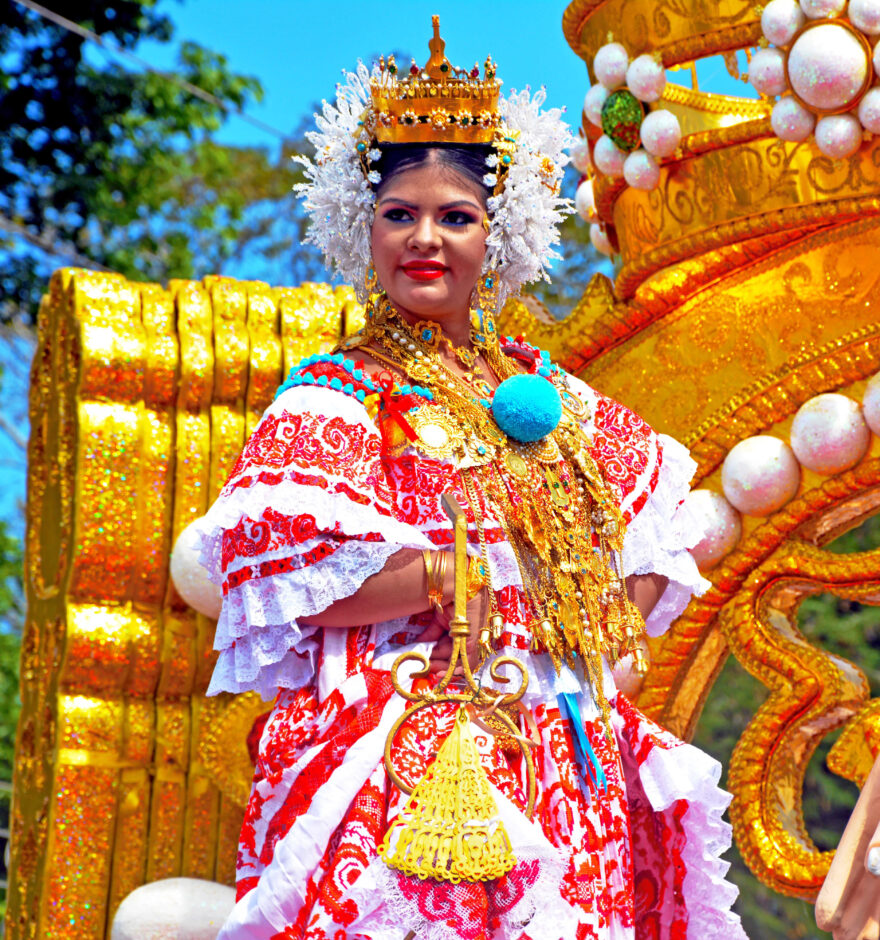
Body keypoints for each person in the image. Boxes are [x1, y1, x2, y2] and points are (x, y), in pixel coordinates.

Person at [198, 19, 747, 940]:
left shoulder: (549, 396)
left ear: (499, 235)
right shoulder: (339, 394)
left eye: (456, 217)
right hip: (406, 742)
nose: (426, 239)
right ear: (359, 226)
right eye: (400, 215)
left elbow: (666, 528)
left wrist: (589, 622)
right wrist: (474, 572)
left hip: (569, 757)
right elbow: (292, 572)